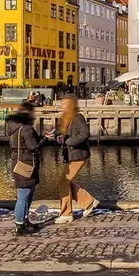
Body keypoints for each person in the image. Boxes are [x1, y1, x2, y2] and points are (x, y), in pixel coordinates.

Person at [53, 95, 98, 224]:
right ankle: (89, 202)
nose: (63, 106)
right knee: (66, 182)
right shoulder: (65, 118)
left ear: (71, 105)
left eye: (65, 104)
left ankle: (66, 213)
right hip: (70, 154)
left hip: (78, 154)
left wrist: (69, 142)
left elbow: (84, 134)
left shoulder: (78, 118)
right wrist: (57, 136)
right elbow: (60, 133)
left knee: (64, 181)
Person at [6, 101, 44, 236]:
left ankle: (24, 220)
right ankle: (20, 224)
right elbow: (32, 146)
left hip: (17, 162)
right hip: (26, 164)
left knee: (26, 194)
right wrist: (44, 140)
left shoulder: (14, 126)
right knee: (23, 196)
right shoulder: (26, 128)